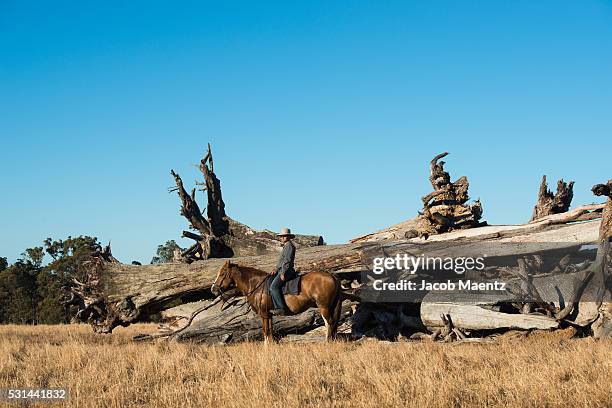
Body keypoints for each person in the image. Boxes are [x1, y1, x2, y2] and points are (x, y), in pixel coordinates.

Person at [269, 227, 296, 315]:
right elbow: (281, 260)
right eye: (281, 236)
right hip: (281, 270)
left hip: (287, 271)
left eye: (284, 236)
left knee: (273, 287)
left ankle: (281, 308)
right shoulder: (286, 246)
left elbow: (287, 261)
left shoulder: (289, 246)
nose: (282, 238)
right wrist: (276, 268)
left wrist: (283, 272)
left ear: (289, 237)